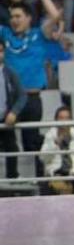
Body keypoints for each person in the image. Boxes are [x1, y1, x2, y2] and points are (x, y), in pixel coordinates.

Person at [1, 0, 62, 177]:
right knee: (9, 142)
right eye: (12, 17)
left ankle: (39, 180)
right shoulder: (6, 35)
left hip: (33, 98)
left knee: (32, 142)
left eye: (18, 16)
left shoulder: (39, 35)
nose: (14, 20)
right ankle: (11, 180)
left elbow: (55, 16)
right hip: (10, 99)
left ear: (29, 18)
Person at [40, 106, 74, 194]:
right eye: (61, 118)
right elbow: (43, 158)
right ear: (56, 120)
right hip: (55, 173)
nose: (64, 121)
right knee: (45, 189)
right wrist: (55, 144)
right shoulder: (50, 136)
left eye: (67, 118)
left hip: (72, 173)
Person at [0, 41, 27, 180]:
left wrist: (14, 112)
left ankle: (12, 178)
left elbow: (22, 95)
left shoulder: (10, 73)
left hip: (6, 120)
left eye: (0, 51)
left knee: (12, 148)